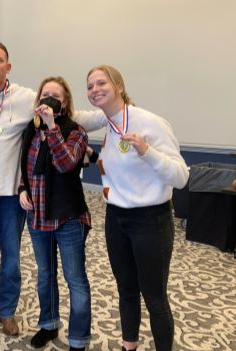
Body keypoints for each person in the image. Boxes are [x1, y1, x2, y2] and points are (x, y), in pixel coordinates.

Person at [0, 42, 103, 344]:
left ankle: (7, 311)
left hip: (12, 197)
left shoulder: (27, 99)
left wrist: (115, 110)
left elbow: (75, 117)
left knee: (11, 260)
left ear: (9, 67)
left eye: (0, 60)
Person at [79, 65, 189, 351]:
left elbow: (181, 176)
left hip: (150, 220)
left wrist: (146, 151)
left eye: (101, 83)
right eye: (89, 86)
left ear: (118, 85)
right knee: (126, 290)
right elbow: (77, 117)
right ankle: (130, 346)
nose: (94, 90)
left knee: (154, 297)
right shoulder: (109, 123)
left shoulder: (150, 122)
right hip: (116, 218)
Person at [19, 77, 91, 351]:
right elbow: (24, 165)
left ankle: (79, 338)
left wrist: (52, 127)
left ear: (65, 102)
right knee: (45, 274)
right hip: (37, 216)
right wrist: (22, 188)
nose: (48, 99)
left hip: (68, 217)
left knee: (75, 279)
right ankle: (48, 324)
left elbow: (66, 164)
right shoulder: (30, 130)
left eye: (55, 95)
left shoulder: (76, 132)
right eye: (44, 94)